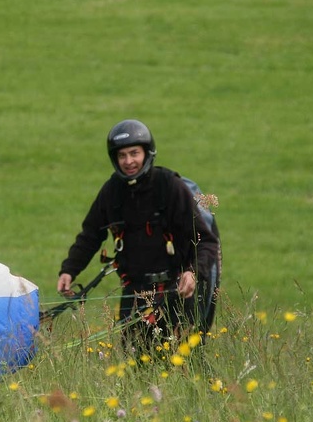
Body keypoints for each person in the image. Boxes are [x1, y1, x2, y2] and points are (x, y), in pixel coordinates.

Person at [57, 119, 220, 353]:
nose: (128, 161)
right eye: (122, 155)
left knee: (186, 364)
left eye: (134, 153)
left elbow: (206, 241)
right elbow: (91, 235)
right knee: (137, 366)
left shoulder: (170, 187)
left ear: (147, 152)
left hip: (178, 293)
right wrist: (69, 270)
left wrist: (193, 273)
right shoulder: (111, 192)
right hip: (135, 295)